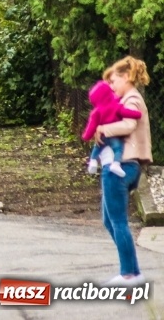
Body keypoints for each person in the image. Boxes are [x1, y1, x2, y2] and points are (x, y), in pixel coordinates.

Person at [94, 56, 152, 286]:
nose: (111, 86)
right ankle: (132, 270)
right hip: (126, 166)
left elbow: (129, 124)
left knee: (118, 222)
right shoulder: (129, 98)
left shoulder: (132, 99)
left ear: (127, 77)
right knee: (110, 221)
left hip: (123, 165)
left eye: (114, 80)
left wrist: (103, 128)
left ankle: (129, 274)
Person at [82, 80, 141, 177]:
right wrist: (138, 114)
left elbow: (91, 126)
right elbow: (126, 112)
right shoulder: (116, 106)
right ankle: (116, 164)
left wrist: (86, 136)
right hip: (113, 135)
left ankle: (93, 161)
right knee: (118, 149)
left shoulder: (96, 112)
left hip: (102, 136)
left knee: (97, 147)